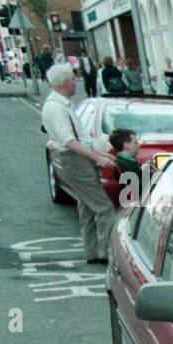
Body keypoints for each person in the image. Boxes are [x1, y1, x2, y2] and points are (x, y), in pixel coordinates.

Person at [42, 63, 119, 263]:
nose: (75, 83)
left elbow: (80, 138)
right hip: (73, 161)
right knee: (104, 208)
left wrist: (100, 153)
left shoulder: (61, 105)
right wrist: (98, 157)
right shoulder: (56, 108)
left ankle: (92, 251)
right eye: (73, 80)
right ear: (65, 83)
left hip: (74, 159)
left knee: (86, 206)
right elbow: (69, 141)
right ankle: (107, 253)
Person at [108, 128, 143, 206]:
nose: (138, 145)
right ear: (126, 145)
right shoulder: (123, 164)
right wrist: (153, 176)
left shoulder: (126, 161)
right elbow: (135, 189)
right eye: (135, 143)